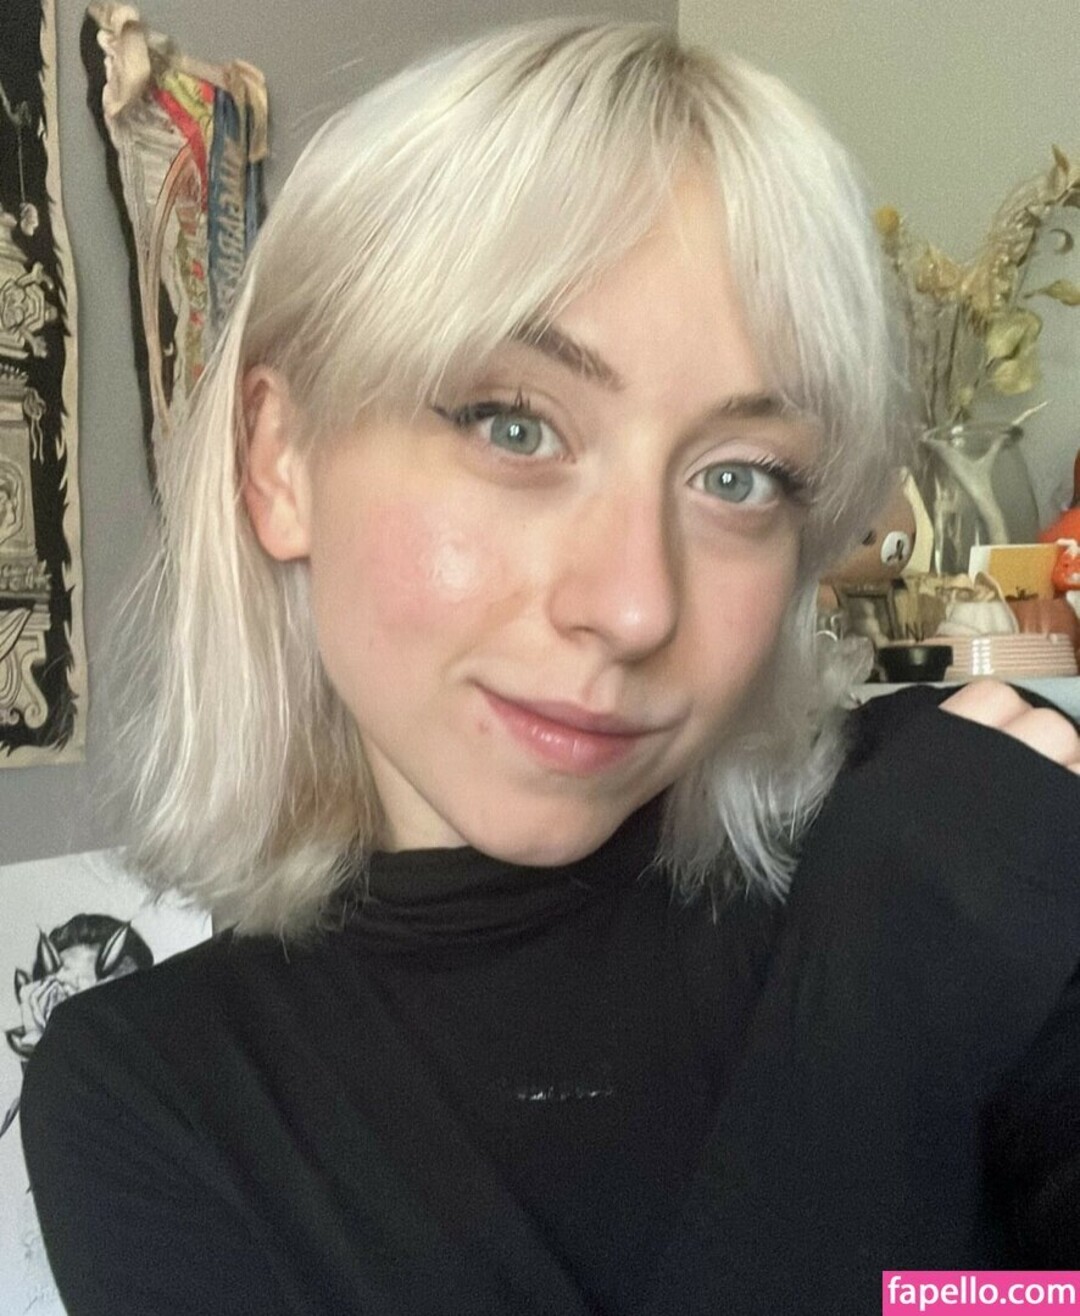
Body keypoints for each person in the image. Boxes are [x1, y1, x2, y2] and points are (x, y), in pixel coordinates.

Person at [19, 20, 1080, 1315]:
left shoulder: (952, 833)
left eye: (738, 478)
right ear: (280, 463)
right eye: (515, 426)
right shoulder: (153, 1097)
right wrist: (867, 1036)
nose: (633, 606)